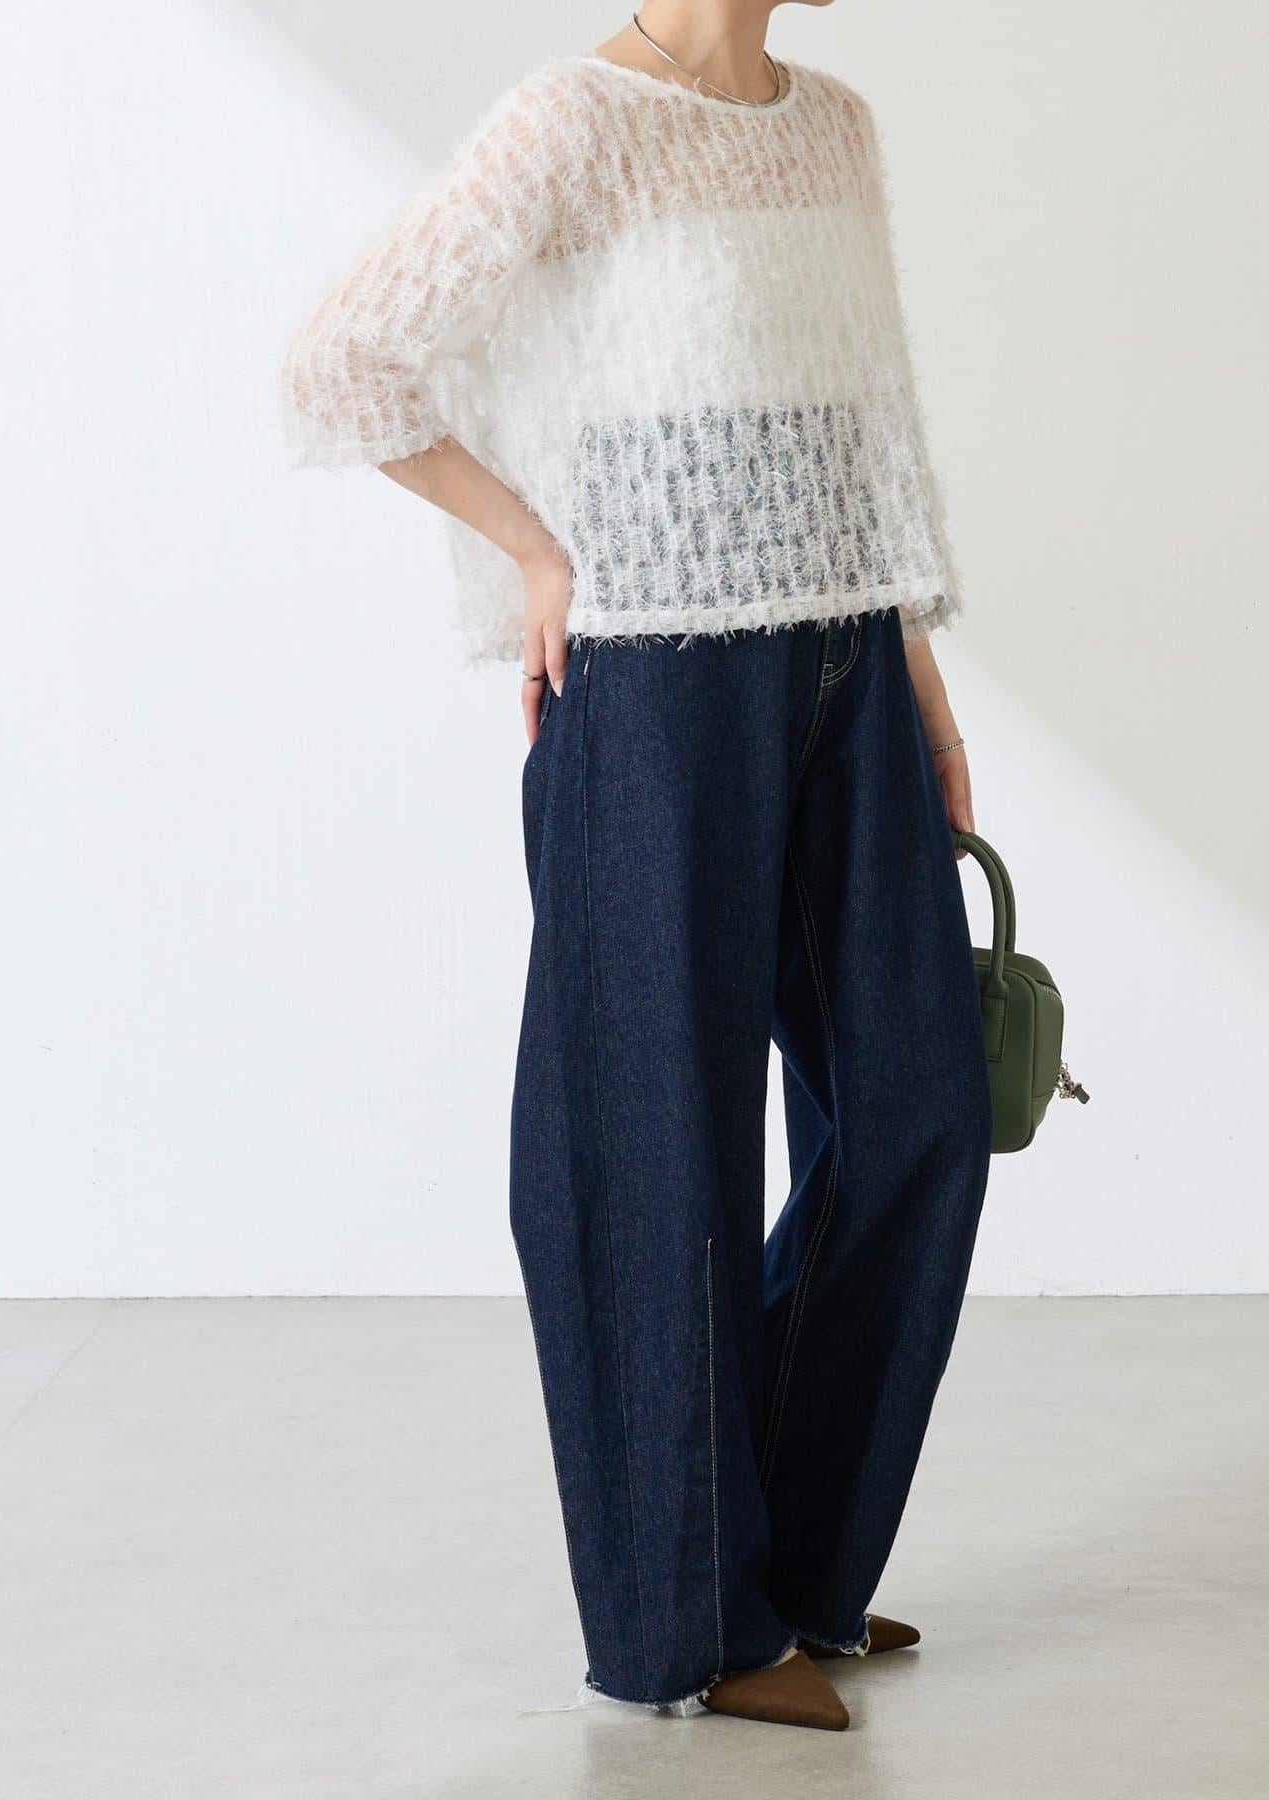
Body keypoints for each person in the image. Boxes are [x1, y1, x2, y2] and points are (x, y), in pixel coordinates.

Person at [278, 0, 992, 1733]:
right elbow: (342, 362)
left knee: (918, 1104)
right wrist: (538, 554)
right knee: (649, 1142)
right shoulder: (576, 120)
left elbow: (855, 418)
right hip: (656, 671)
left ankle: (790, 1571)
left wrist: (912, 666)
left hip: (841, 650)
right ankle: (690, 1623)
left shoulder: (830, 123)